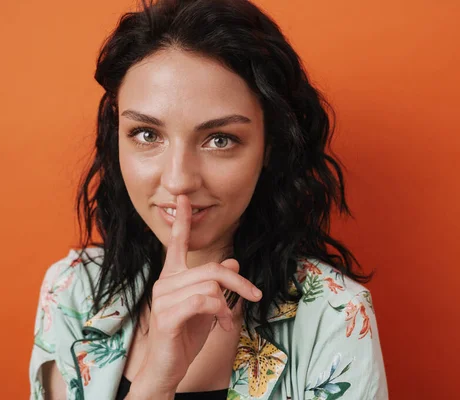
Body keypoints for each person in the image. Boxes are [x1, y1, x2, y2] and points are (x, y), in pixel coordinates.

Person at [28, 0, 389, 399]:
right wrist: (155, 382)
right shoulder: (72, 291)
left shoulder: (336, 315)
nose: (179, 179)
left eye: (220, 140)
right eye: (147, 134)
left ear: (270, 146)